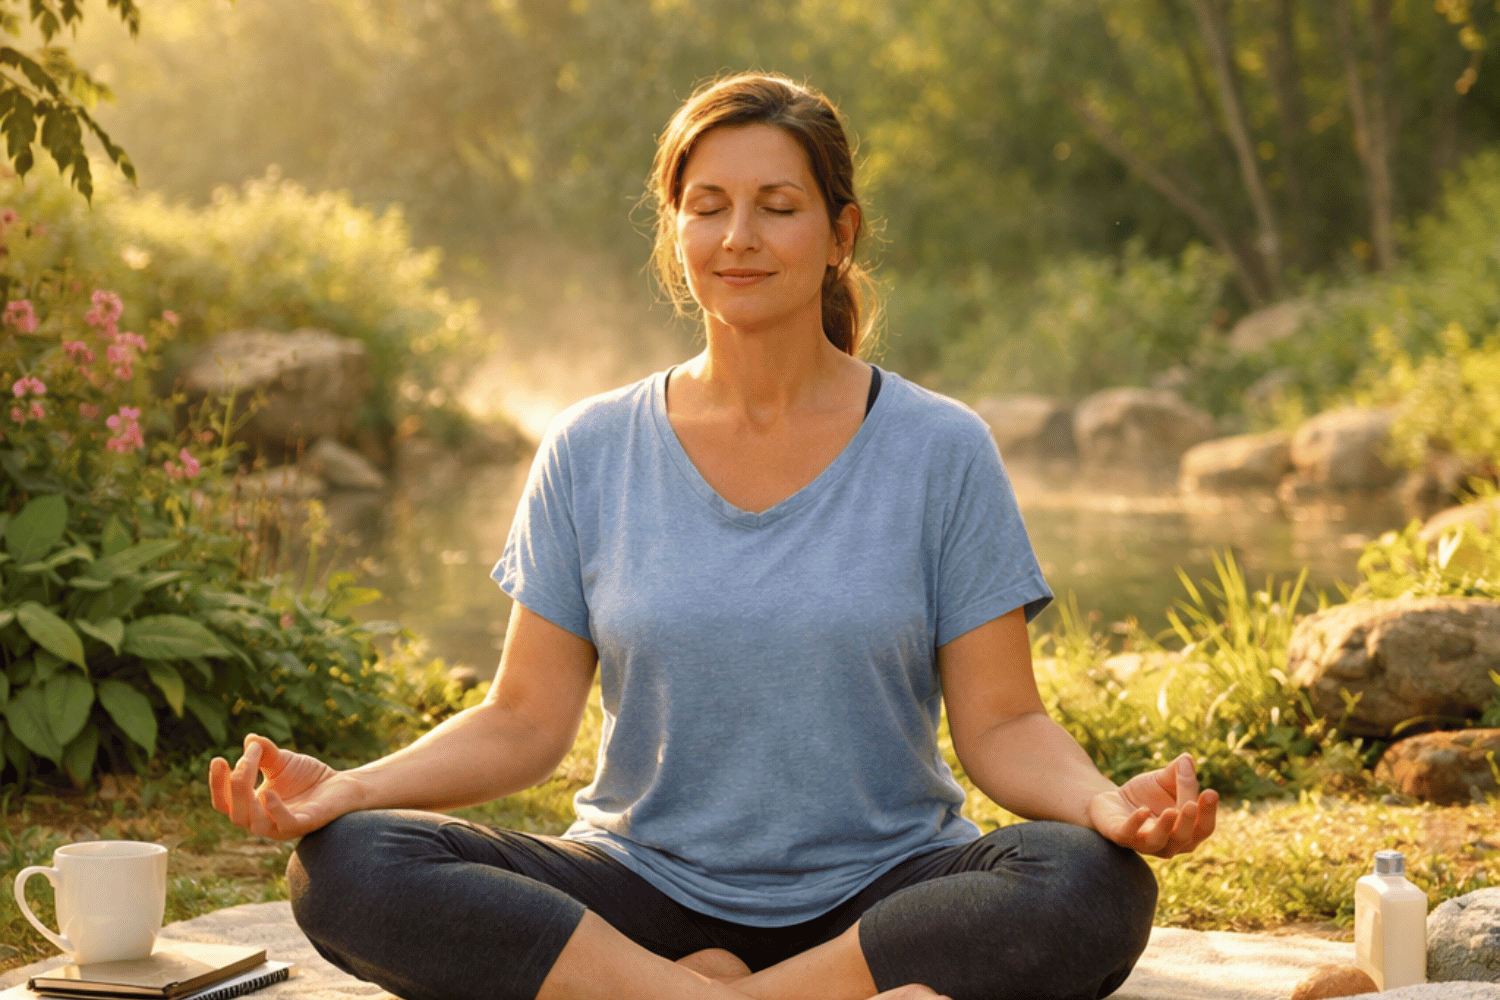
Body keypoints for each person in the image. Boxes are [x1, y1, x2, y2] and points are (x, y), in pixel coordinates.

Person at [209, 72, 1218, 1000]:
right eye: (708, 207)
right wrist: (350, 786)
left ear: (840, 234)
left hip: (885, 895)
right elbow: (522, 719)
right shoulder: (590, 445)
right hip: (640, 890)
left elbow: (1001, 727)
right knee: (348, 864)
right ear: (675, 232)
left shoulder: (939, 447)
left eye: (778, 207)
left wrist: (1103, 806)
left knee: (1085, 882)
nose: (739, 236)